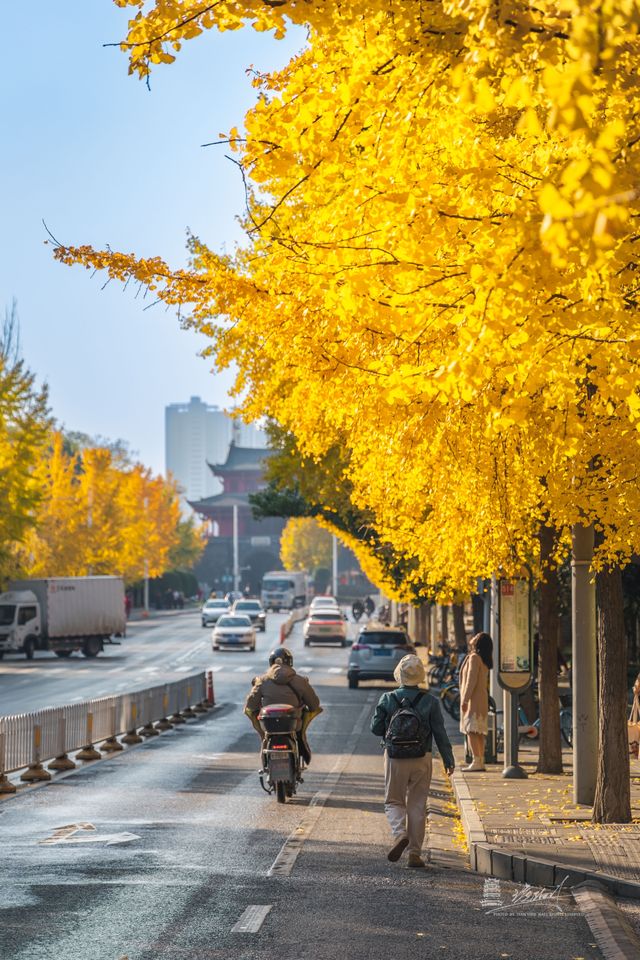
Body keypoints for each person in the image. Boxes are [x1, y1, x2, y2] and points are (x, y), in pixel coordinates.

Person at [371, 654, 455, 869]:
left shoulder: (388, 699)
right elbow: (440, 733)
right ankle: (415, 854)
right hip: (422, 757)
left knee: (393, 801)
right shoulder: (430, 701)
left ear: (399, 674)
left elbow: (376, 729)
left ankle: (400, 835)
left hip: (395, 757)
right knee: (417, 805)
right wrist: (448, 759)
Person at [244, 646, 322, 763]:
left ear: (271, 662)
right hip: (293, 725)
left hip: (268, 725)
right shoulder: (300, 681)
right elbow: (314, 704)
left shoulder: (262, 680)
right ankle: (301, 748)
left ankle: (265, 763)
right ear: (290, 662)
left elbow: (251, 705)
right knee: (300, 734)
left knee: (264, 736)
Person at [459, 631, 493, 772]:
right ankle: (480, 759)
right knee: (478, 731)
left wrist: (465, 699)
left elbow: (470, 681)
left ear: (478, 642)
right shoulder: (483, 659)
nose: (472, 638)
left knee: (471, 730)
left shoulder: (474, 658)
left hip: (473, 699)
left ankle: (476, 760)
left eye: (476, 636)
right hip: (482, 698)